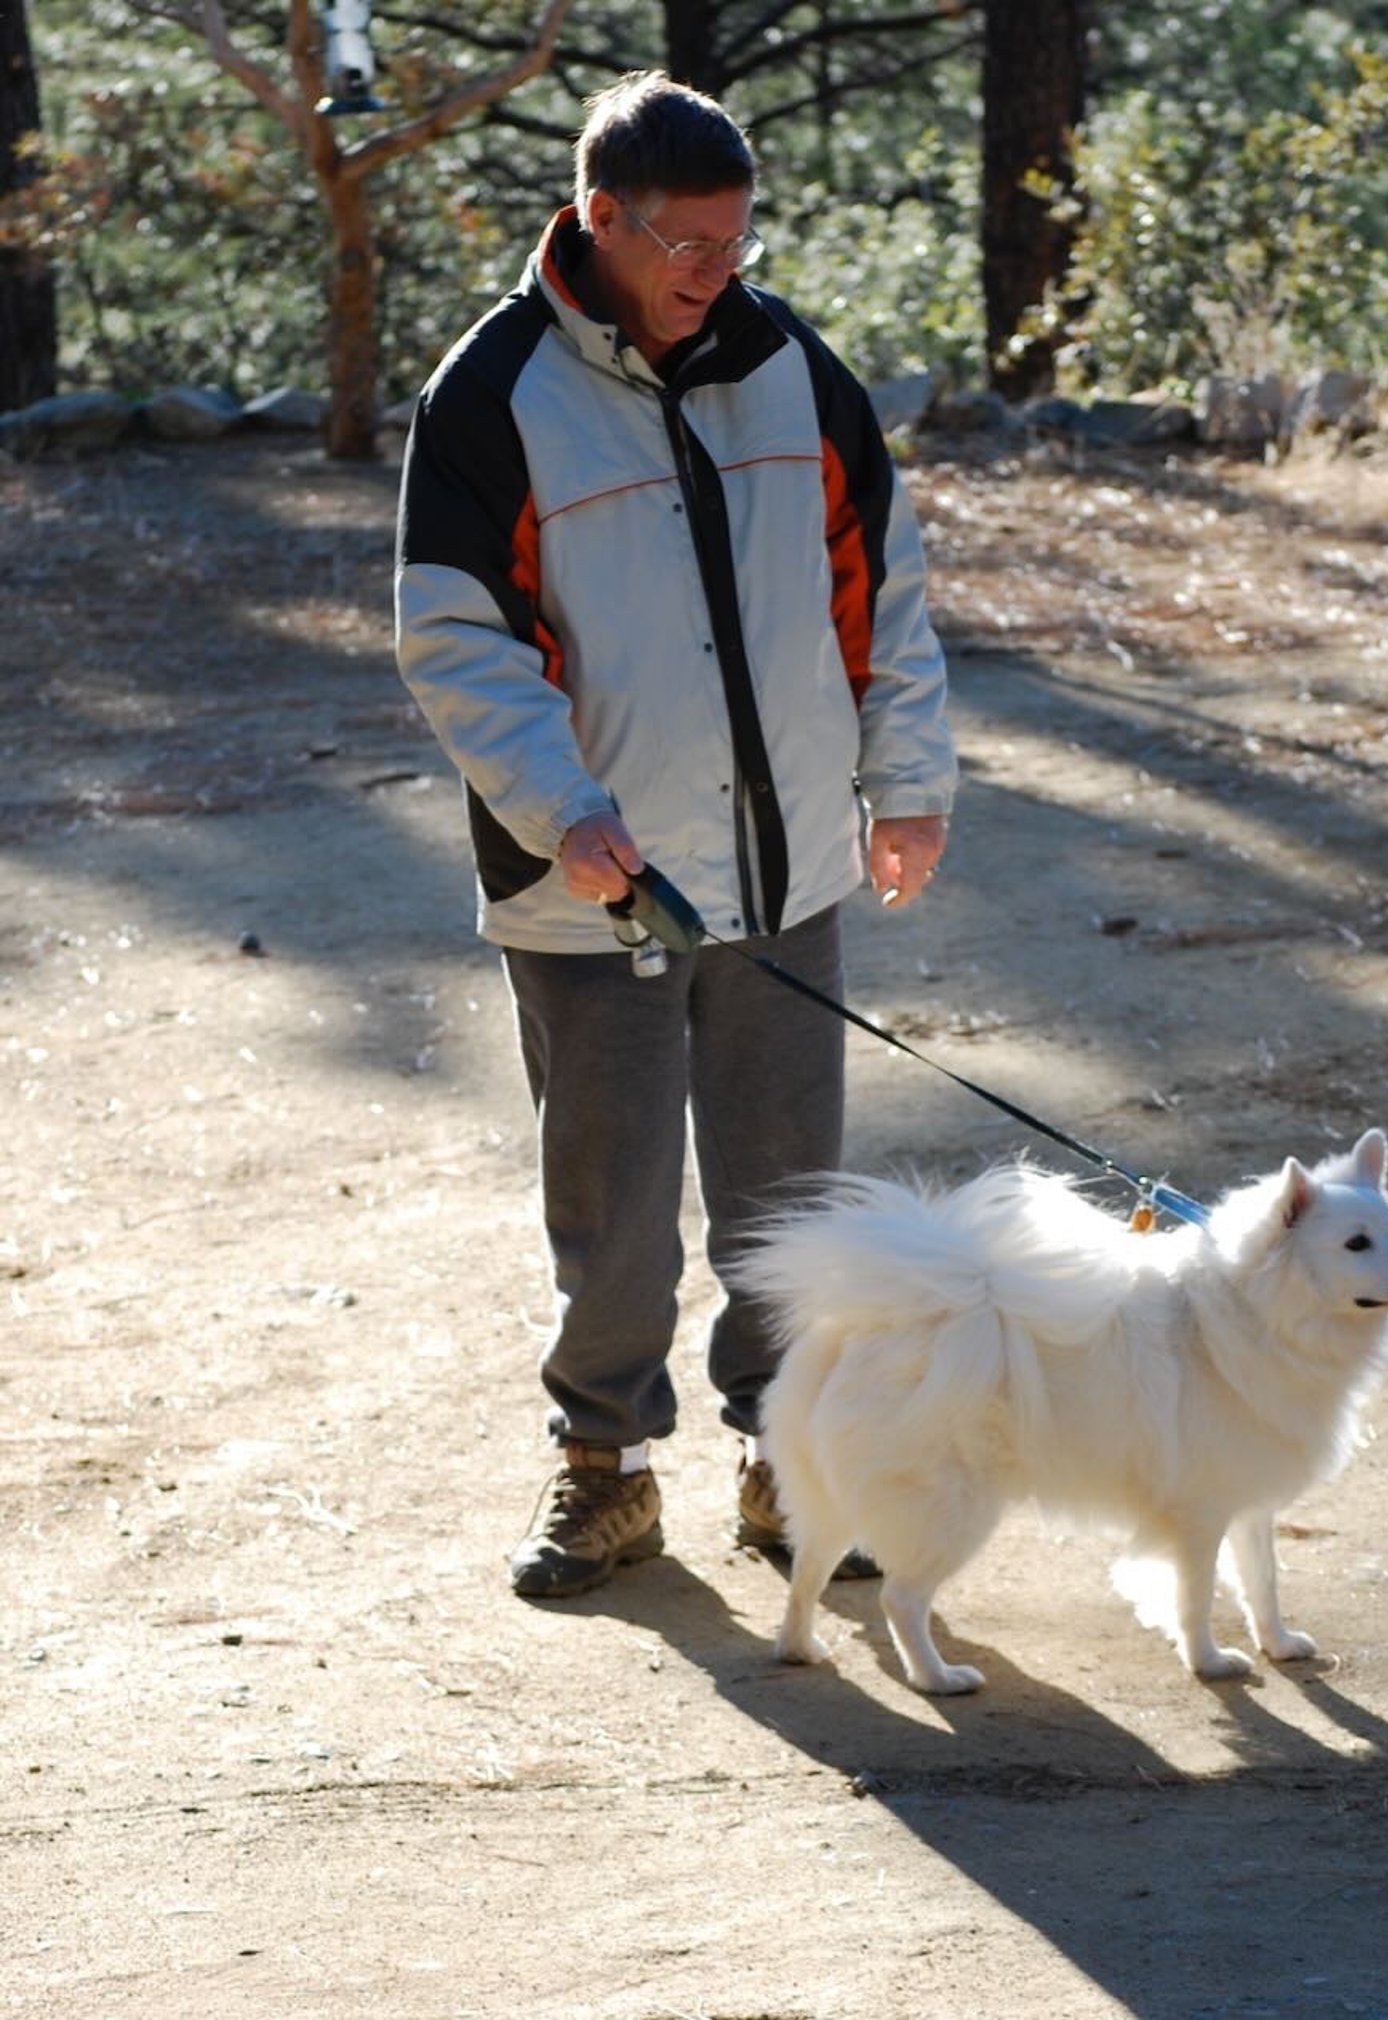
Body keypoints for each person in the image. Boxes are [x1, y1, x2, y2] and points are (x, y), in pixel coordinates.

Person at [394, 70, 955, 1600]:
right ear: (597, 219)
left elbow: (880, 590)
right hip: (595, 891)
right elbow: (456, 637)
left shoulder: (796, 368)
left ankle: (793, 1468)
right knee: (617, 1215)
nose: (719, 269)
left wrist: (909, 784)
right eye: (687, 242)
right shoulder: (493, 392)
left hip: (788, 880)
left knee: (792, 1209)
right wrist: (563, 813)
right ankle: (607, 1477)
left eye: (735, 236)